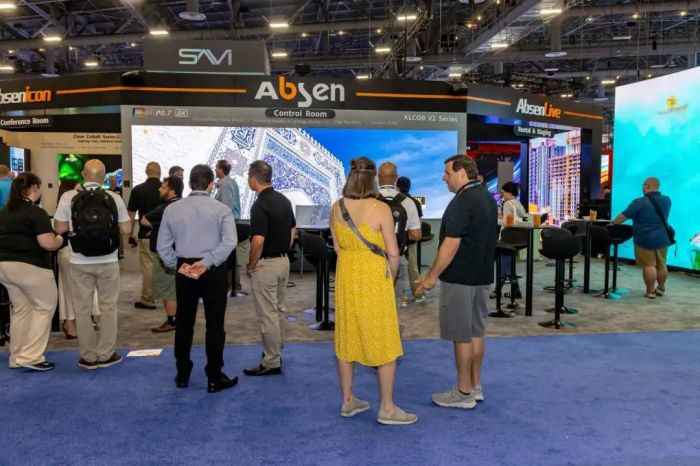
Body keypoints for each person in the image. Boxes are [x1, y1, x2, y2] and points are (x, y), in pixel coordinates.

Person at [331, 157, 417, 425]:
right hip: (375, 278)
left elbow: (338, 248)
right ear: (374, 179)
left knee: (347, 338)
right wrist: (390, 277)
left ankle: (348, 400)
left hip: (347, 278)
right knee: (384, 339)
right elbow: (394, 252)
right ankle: (387, 408)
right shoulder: (380, 208)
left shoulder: (337, 207)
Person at [417, 155, 497, 409]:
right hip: (481, 276)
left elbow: (450, 245)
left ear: (461, 173)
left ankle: (463, 392)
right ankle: (474, 385)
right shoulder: (486, 197)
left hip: (460, 278)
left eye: (447, 173)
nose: (444, 178)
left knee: (461, 335)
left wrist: (431, 277)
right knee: (475, 333)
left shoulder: (463, 201)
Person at [157, 164, 238, 393]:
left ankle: (182, 374)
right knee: (215, 325)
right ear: (211, 185)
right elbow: (230, 242)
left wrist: (180, 266)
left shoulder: (172, 210)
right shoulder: (222, 209)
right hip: (213, 270)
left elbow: (162, 247)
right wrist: (208, 262)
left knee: (184, 323)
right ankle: (214, 377)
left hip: (185, 269)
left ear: (190, 183)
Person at [54, 160, 130, 370]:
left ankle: (88, 356)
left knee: (82, 308)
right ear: (104, 177)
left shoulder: (68, 197)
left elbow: (59, 228)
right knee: (108, 307)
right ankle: (106, 354)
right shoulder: (114, 198)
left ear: (83, 174)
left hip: (79, 260)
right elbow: (126, 230)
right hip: (108, 260)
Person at [0, 172, 64, 371]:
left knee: (21, 310)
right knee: (45, 307)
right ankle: (31, 356)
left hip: (5, 267)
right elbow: (48, 243)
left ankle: (17, 355)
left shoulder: (4, 212)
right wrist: (60, 239)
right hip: (31, 267)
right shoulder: (36, 212)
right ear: (35, 188)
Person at [242, 161, 295, 377]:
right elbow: (293, 229)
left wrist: (251, 264)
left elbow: (258, 241)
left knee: (268, 314)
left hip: (267, 265)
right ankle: (276, 351)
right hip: (283, 262)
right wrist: (284, 249)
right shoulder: (284, 200)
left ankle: (272, 360)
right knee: (279, 310)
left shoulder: (259, 205)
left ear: (253, 179)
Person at [611, 177, 672, 299]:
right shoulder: (667, 200)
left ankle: (650, 291)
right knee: (661, 264)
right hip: (663, 237)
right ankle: (661, 288)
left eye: (643, 185)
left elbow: (623, 217)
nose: (642, 188)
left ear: (647, 186)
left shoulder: (639, 202)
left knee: (649, 265)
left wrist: (613, 223)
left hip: (645, 239)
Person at [141, 176, 183, 333]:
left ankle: (172, 320)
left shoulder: (164, 208)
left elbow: (144, 220)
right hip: (184, 253)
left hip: (166, 256)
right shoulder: (185, 205)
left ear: (172, 191)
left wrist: (159, 225)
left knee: (168, 289)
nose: (160, 189)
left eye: (163, 187)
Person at [377, 162, 421, 307]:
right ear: (396, 178)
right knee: (394, 306)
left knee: (373, 304)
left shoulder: (368, 200)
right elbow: (416, 235)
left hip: (372, 258)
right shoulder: (408, 202)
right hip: (398, 256)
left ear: (377, 177)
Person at [128, 162, 162, 310]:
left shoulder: (137, 190)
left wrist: (130, 234)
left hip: (146, 234)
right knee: (168, 267)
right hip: (166, 235)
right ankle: (171, 298)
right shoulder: (166, 189)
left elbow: (131, 214)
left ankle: (148, 299)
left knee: (148, 268)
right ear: (160, 173)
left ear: (146, 172)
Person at [214, 159, 243, 298]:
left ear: (221, 169)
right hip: (233, 222)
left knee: (226, 255)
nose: (214, 169)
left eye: (216, 167)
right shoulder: (229, 182)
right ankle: (234, 284)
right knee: (231, 256)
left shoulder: (225, 185)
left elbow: (226, 207)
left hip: (227, 224)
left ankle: (228, 285)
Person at [494, 181, 527, 299]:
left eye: (503, 192)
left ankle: (500, 290)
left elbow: (506, 222)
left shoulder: (508, 204)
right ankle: (512, 290)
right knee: (507, 263)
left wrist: (494, 219)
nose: (502, 195)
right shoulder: (518, 203)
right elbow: (524, 218)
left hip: (507, 239)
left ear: (509, 192)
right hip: (518, 239)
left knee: (504, 263)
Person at [396, 176, 425, 303]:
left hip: (397, 241)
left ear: (397, 187)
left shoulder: (395, 201)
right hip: (411, 240)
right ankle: (418, 294)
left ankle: (401, 297)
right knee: (413, 268)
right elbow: (419, 223)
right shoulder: (415, 202)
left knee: (398, 269)